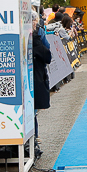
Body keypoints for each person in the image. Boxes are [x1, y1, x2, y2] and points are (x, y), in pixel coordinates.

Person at [31, 11, 51, 158]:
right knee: (32, 110)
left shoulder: (39, 32)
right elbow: (47, 51)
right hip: (36, 73)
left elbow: (47, 52)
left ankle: (34, 138)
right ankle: (34, 138)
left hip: (35, 73)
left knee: (33, 110)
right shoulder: (39, 32)